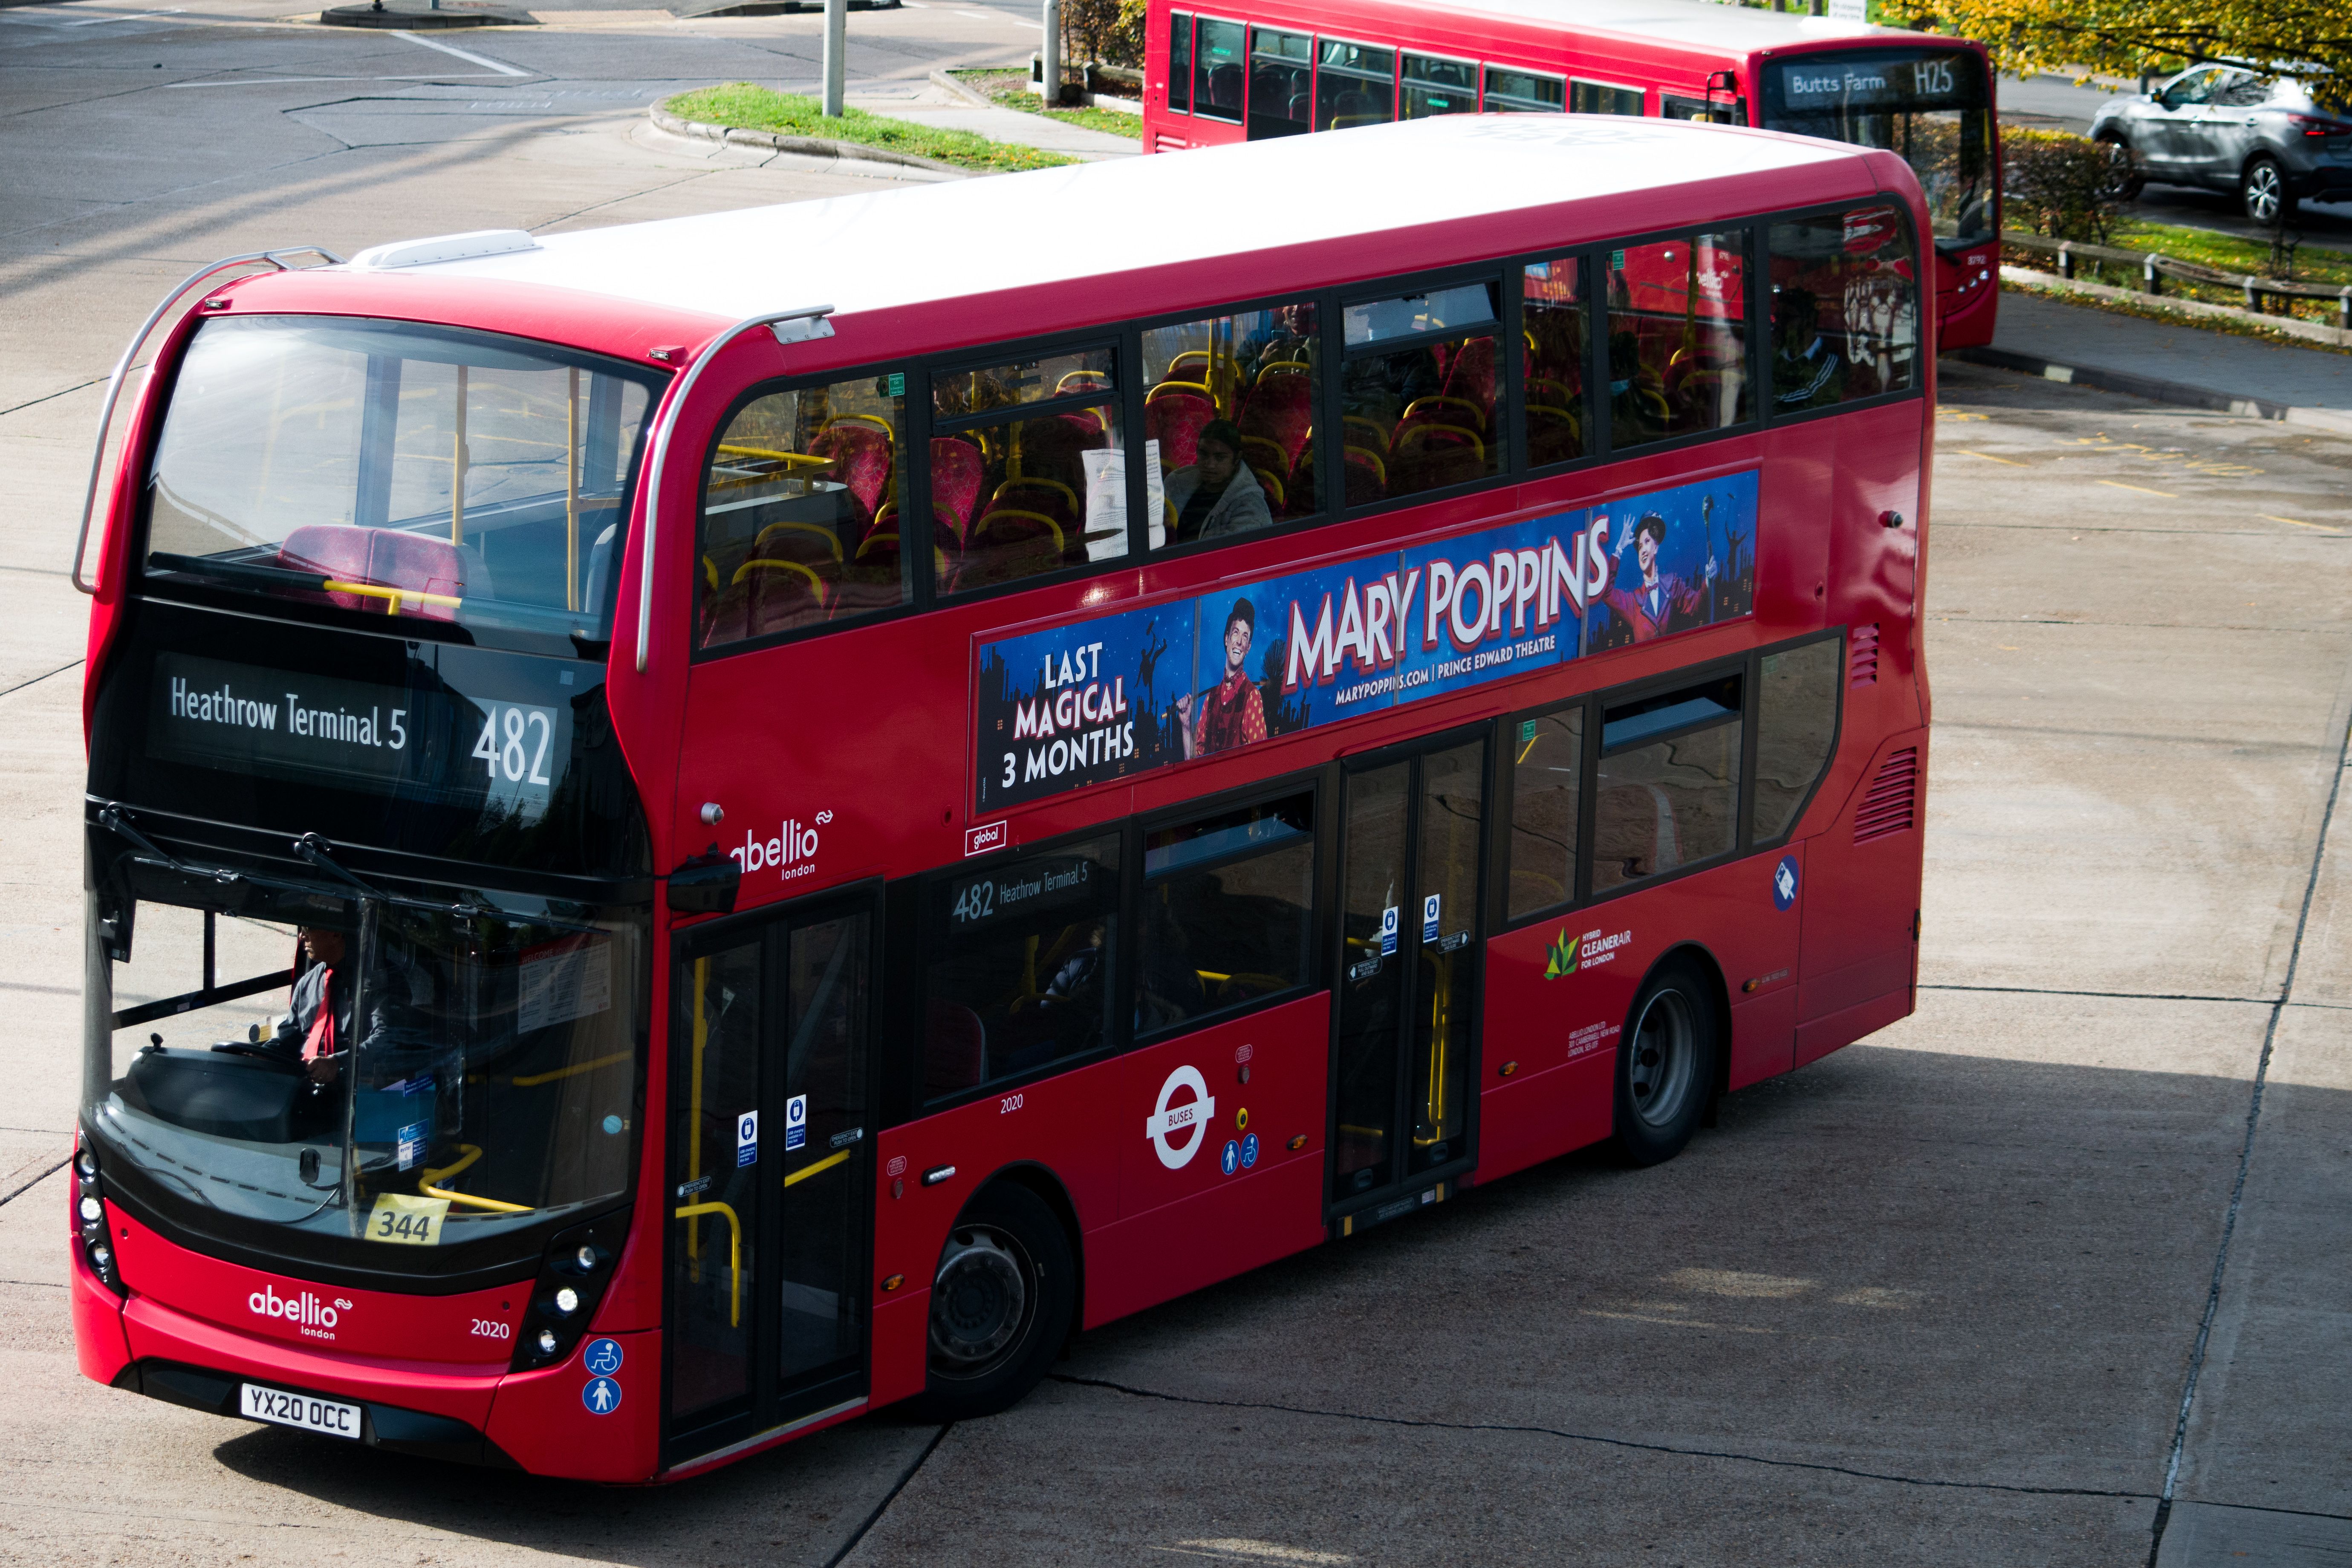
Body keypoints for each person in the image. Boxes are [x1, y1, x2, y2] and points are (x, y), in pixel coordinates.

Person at [257, 924, 432, 1085]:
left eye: (308, 929)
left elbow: (387, 1039)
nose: (302, 936)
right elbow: (288, 1037)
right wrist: (259, 1055)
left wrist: (337, 1062)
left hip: (353, 1086)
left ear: (335, 934)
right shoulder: (308, 983)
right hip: (303, 1083)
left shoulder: (381, 979)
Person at [1598, 512, 1716, 642]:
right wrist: (1619, 550)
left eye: (1647, 542)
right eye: (1640, 546)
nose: (1642, 550)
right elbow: (1606, 593)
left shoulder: (1672, 584)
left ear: (1656, 548)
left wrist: (1709, 581)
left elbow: (1695, 605)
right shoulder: (1633, 602)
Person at [1177, 598, 1269, 758]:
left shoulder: (1252, 697)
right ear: (1227, 639)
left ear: (1248, 648)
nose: (1239, 642)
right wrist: (1186, 726)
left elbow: (1260, 763)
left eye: (1245, 637)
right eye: (1236, 633)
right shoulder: (1210, 700)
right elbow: (1193, 766)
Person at [1164, 421, 1271, 542]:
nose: (1210, 465)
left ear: (1236, 459)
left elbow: (1230, 553)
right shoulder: (1179, 484)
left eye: (1220, 458)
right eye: (1204, 454)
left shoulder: (1250, 506)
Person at [1771, 285, 1847, 412]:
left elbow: (1810, 396)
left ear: (1809, 320)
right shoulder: (1775, 354)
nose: (1780, 324)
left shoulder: (1830, 360)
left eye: (1788, 318)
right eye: (1778, 317)